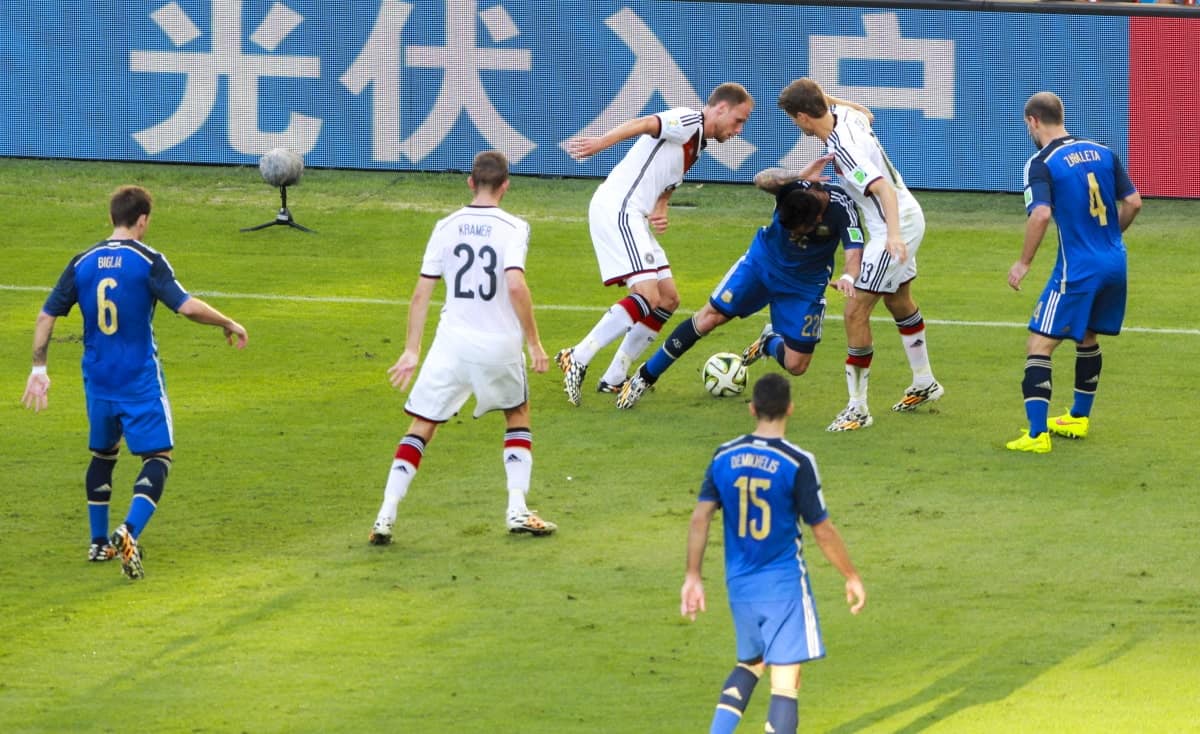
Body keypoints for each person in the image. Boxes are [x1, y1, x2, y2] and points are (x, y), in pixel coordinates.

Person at [21, 185, 248, 580]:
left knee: (103, 455)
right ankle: (128, 531)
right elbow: (187, 306)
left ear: (112, 218)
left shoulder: (82, 263)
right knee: (158, 457)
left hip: (98, 379)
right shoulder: (148, 261)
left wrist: (39, 369)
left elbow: (45, 316)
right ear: (142, 220)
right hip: (139, 380)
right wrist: (227, 321)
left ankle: (97, 544)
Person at [368, 150, 556, 543]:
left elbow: (422, 293)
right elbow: (517, 284)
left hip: (450, 345)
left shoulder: (445, 226)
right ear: (506, 185)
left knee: (423, 424)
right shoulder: (514, 227)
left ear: (470, 183)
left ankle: (385, 514)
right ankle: (517, 508)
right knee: (517, 414)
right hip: (499, 345)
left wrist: (411, 350)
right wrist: (535, 343)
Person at [681, 373, 866, 734]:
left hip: (739, 585)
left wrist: (693, 576)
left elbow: (700, 518)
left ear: (752, 409)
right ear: (790, 409)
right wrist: (851, 575)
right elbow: (823, 530)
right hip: (783, 587)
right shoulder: (797, 462)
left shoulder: (724, 455)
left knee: (750, 663)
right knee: (785, 683)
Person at [555, 83, 755, 406]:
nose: (739, 130)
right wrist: (600, 144)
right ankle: (577, 356)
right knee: (647, 295)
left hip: (636, 213)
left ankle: (615, 377)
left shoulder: (698, 143)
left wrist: (661, 206)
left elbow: (668, 179)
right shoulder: (689, 121)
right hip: (620, 207)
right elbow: (646, 123)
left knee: (668, 299)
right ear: (720, 108)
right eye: (739, 120)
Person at [615, 157, 864, 410]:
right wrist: (797, 174)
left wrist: (847, 277)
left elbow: (854, 252)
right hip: (761, 264)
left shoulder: (842, 208)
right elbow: (760, 179)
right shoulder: (793, 186)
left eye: (798, 231)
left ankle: (769, 341)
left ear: (817, 218)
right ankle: (643, 378)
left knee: (796, 365)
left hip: (804, 286)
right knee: (709, 317)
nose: (793, 235)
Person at [777, 78, 944, 432]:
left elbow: (881, 188)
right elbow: (866, 113)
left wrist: (893, 236)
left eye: (794, 118)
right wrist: (824, 97)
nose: (795, 125)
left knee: (855, 311)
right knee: (899, 299)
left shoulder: (845, 147)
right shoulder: (845, 116)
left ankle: (858, 408)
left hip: (891, 227)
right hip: (904, 215)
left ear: (805, 117)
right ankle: (924, 381)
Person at [1005, 92, 1141, 453]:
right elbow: (1133, 202)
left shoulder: (1042, 162)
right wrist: (1109, 236)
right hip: (1115, 260)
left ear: (1033, 121)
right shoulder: (1103, 151)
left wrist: (1024, 263)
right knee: (1087, 335)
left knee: (1039, 343)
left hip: (1078, 268)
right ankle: (1078, 418)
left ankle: (1036, 436)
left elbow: (1041, 214)